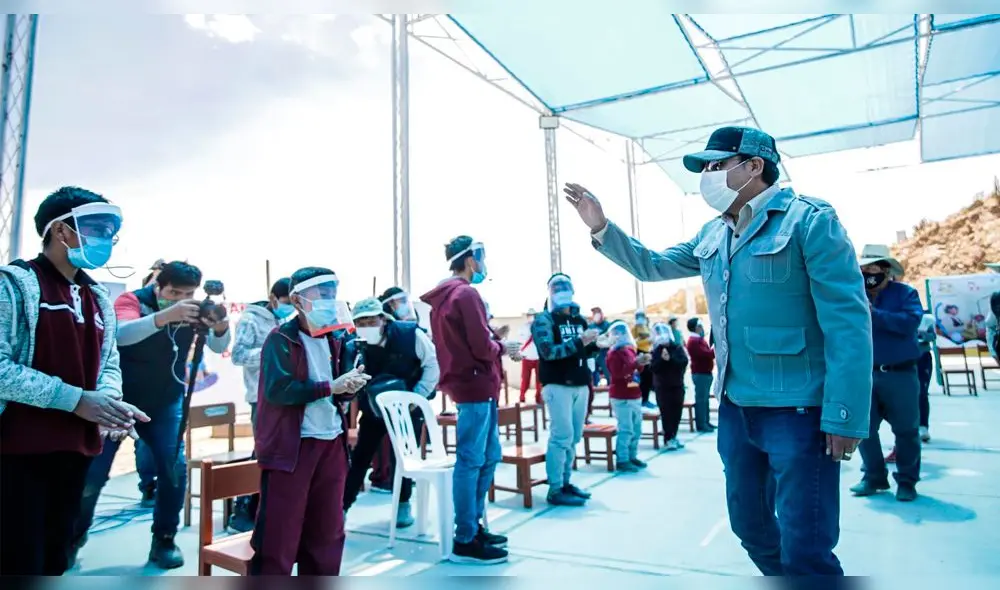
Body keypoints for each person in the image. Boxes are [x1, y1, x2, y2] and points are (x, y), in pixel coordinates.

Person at [565, 125, 873, 576]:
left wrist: (845, 414)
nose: (707, 175)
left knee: (805, 541)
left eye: (716, 164)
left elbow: (848, 323)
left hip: (799, 408)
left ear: (754, 166)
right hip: (736, 408)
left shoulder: (809, 220)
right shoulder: (713, 233)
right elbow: (652, 264)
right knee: (750, 526)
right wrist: (602, 228)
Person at [0, 187, 148, 576]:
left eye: (110, 232)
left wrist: (109, 403)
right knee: (18, 556)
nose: (106, 240)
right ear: (61, 231)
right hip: (17, 451)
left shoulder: (95, 296)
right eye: (97, 228)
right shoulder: (14, 284)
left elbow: (108, 360)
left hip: (76, 448)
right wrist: (76, 399)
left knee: (54, 557)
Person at [73, 260, 232, 569]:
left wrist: (221, 326)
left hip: (166, 402)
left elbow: (218, 345)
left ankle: (164, 539)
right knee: (92, 474)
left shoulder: (195, 308)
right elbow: (119, 335)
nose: (180, 299)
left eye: (188, 293)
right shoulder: (131, 300)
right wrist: (164, 317)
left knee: (175, 470)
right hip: (118, 402)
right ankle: (72, 536)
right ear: (158, 286)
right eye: (173, 292)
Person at [250, 268, 369, 576]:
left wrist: (345, 390)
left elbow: (331, 390)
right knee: (280, 533)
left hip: (331, 441)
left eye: (333, 292)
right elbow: (278, 391)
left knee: (327, 531)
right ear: (297, 300)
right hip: (293, 446)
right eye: (323, 293)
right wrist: (332, 387)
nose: (331, 299)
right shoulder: (280, 339)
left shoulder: (334, 338)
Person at [420, 236, 520, 565]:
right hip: (475, 384)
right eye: (481, 257)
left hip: (472, 385)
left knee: (488, 455)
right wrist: (500, 348)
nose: (483, 264)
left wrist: (492, 340)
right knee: (471, 460)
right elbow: (479, 347)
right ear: (471, 260)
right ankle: (465, 536)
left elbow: (466, 340)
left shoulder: (447, 297)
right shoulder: (466, 293)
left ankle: (473, 526)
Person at [343, 297, 440, 527]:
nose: (367, 326)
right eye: (361, 322)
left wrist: (417, 396)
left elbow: (432, 364)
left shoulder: (410, 335)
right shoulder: (355, 345)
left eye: (372, 320)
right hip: (374, 411)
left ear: (383, 319)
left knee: (404, 459)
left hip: (409, 407)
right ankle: (342, 508)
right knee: (359, 459)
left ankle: (403, 506)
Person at [850, 245, 923, 503]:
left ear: (886, 270)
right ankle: (874, 476)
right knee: (864, 429)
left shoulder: (906, 294)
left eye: (872, 268)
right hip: (864, 375)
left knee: (906, 431)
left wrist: (875, 315)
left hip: (899, 374)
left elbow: (909, 323)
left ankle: (906, 481)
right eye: (863, 269)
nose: (867, 273)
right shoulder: (854, 296)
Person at [227, 277, 294, 533]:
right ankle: (242, 511)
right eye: (287, 302)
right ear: (273, 298)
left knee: (276, 454)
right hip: (260, 397)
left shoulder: (283, 320)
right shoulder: (250, 319)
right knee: (262, 454)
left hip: (283, 395)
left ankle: (266, 508)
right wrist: (274, 352)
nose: (290, 307)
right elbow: (239, 355)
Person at [531, 275, 600, 506]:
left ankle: (566, 481)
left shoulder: (579, 319)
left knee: (574, 437)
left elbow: (584, 352)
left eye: (566, 285)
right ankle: (555, 488)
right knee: (561, 436)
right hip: (558, 385)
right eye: (557, 286)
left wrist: (596, 346)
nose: (562, 289)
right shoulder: (544, 320)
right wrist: (580, 342)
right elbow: (549, 352)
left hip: (580, 384)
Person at [605, 321, 650, 472]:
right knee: (626, 428)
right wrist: (635, 363)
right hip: (621, 395)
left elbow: (636, 370)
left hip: (634, 393)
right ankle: (622, 459)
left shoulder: (629, 350)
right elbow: (618, 373)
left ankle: (632, 455)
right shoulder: (613, 353)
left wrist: (641, 363)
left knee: (636, 428)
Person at [649, 322, 689, 451]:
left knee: (677, 412)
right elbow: (653, 368)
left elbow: (683, 362)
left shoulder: (677, 348)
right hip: (662, 387)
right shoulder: (656, 350)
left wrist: (670, 359)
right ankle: (668, 438)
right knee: (666, 413)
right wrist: (662, 360)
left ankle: (674, 436)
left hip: (677, 385)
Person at [685, 317, 717, 432]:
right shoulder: (694, 341)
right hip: (700, 373)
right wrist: (716, 348)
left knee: (705, 399)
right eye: (700, 326)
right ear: (696, 328)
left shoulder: (699, 340)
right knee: (701, 400)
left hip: (705, 373)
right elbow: (706, 354)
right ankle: (701, 423)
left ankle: (706, 421)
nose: (702, 328)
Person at [916, 310, 935, 443]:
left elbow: (932, 336)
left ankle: (923, 426)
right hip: (903, 359)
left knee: (922, 393)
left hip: (922, 357)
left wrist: (923, 335)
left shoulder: (926, 319)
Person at [632, 310, 655, 410]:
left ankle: (646, 399)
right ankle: (642, 400)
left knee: (649, 378)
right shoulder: (634, 329)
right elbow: (634, 343)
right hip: (640, 353)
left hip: (648, 352)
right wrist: (647, 341)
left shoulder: (646, 327)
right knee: (644, 378)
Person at [588, 307, 611, 385]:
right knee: (593, 372)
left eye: (597, 313)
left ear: (601, 314)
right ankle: (594, 387)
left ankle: (610, 385)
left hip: (604, 352)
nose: (596, 315)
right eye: (594, 313)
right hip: (593, 353)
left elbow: (610, 338)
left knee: (607, 371)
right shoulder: (590, 326)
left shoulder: (607, 325)